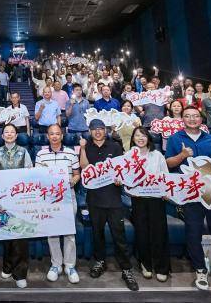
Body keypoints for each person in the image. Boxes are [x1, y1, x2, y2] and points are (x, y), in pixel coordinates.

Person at [165, 106, 211, 293]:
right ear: (182, 119)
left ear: (201, 119)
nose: (192, 119)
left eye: (195, 116)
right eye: (187, 116)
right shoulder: (175, 139)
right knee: (193, 232)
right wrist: (182, 155)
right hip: (190, 194)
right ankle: (200, 270)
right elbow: (167, 164)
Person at [79, 119, 138, 291]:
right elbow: (84, 168)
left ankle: (126, 269)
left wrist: (120, 178)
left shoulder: (115, 146)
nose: (97, 131)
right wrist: (82, 149)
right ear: (90, 131)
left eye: (101, 128)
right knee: (97, 234)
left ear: (105, 130)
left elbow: (122, 169)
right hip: (94, 199)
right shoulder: (86, 147)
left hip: (113, 199)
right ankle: (100, 261)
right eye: (94, 129)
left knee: (119, 236)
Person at [35, 124, 81, 285]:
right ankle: (56, 265)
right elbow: (37, 176)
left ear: (62, 135)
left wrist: (73, 181)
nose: (54, 136)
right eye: (51, 134)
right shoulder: (40, 154)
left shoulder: (71, 153)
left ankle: (70, 266)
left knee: (69, 233)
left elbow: (77, 174)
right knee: (52, 232)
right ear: (47, 136)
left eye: (57, 134)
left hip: (68, 195)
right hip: (49, 198)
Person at [0, 124, 32, 288]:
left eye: (12, 132)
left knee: (21, 236)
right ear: (2, 136)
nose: (9, 134)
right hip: (3, 200)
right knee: (6, 235)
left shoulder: (23, 152)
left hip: (21, 199)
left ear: (16, 135)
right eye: (6, 132)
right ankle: (7, 266)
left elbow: (30, 174)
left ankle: (20, 273)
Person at [126, 127, 170, 282]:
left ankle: (162, 267)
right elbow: (125, 177)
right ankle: (145, 264)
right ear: (133, 138)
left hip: (156, 198)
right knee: (142, 232)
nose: (140, 138)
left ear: (148, 138)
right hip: (138, 199)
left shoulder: (157, 155)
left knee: (159, 232)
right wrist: (126, 187)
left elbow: (165, 176)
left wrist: (166, 191)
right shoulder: (128, 155)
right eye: (137, 135)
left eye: (143, 135)